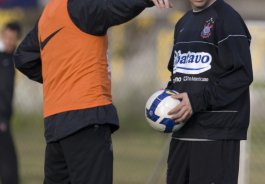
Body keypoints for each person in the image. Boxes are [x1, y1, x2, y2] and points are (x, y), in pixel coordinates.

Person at [13, 0, 172, 183]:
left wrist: (60, 77)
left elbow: (23, 58)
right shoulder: (81, 5)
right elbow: (115, 7)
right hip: (86, 118)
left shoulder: (49, 13)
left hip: (55, 124)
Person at [165, 0, 253, 183]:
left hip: (215, 133)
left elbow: (241, 75)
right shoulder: (182, 23)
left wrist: (196, 101)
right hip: (183, 132)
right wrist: (166, 99)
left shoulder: (228, 19)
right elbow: (177, 75)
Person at [0, 21, 21, 184]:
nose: (8, 41)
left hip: (5, 116)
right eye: (6, 37)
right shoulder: (3, 60)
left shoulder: (12, 60)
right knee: (9, 164)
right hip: (1, 117)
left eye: (11, 38)